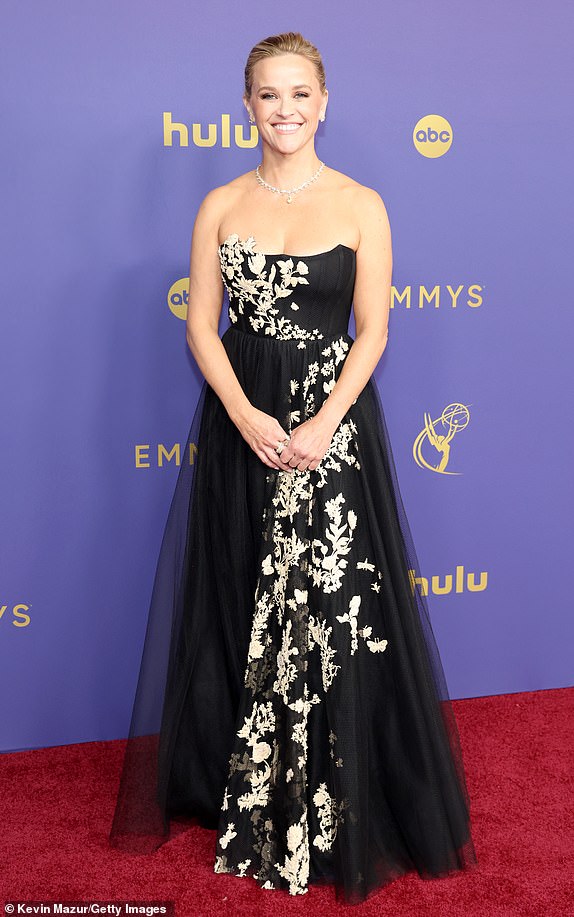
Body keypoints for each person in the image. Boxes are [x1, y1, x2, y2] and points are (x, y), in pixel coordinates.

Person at [109, 30, 478, 906]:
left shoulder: (361, 204)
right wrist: (245, 414)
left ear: (324, 102)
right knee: (244, 594)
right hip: (245, 422)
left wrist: (320, 422)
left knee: (334, 611)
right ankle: (248, 785)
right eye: (268, 95)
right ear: (247, 106)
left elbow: (374, 330)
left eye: (300, 93)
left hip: (331, 426)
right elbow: (203, 324)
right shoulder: (220, 206)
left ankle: (349, 801)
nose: (285, 110)